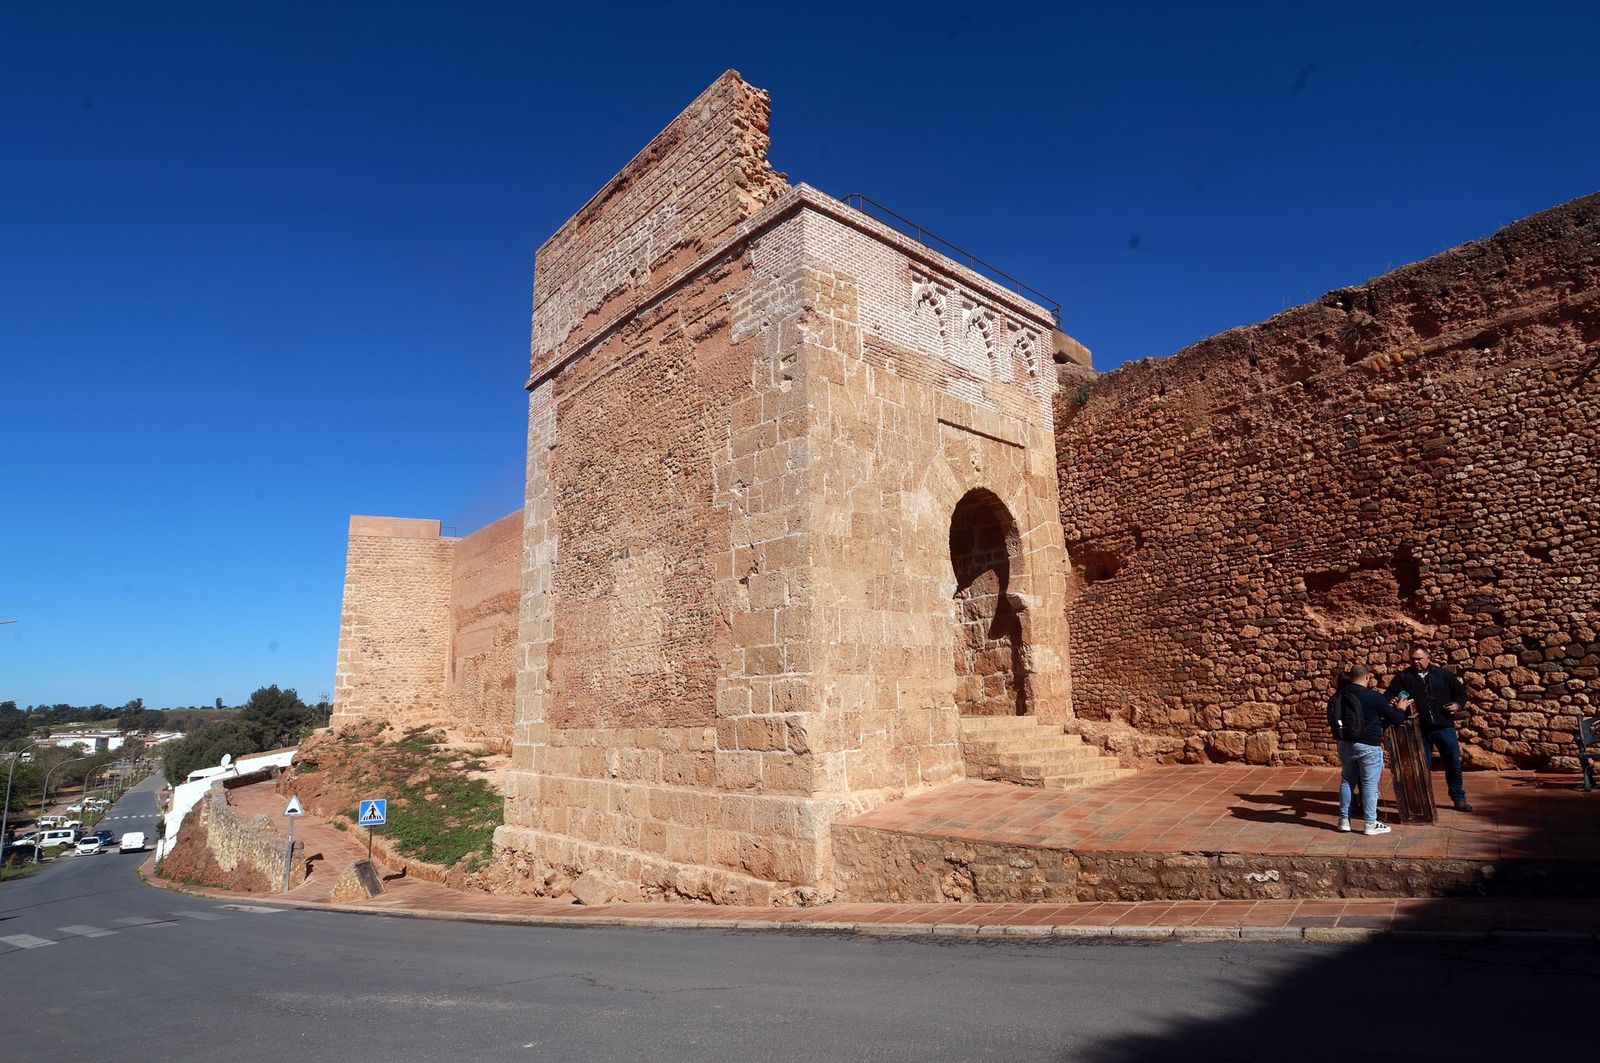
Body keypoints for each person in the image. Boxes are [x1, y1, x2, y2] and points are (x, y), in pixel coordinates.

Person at [1385, 645, 1473, 812]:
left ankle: (1459, 798)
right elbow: (1389, 694)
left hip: (1444, 727)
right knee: (1422, 767)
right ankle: (1425, 801)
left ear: (1428, 658)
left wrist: (1457, 705)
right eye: (1413, 659)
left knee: (1453, 763)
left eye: (1419, 658)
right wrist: (1393, 700)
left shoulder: (1443, 674)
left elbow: (1460, 694)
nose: (1416, 662)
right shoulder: (1403, 677)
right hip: (1419, 730)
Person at [1336, 665, 1411, 835]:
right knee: (1369, 784)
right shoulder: (1373, 697)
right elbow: (1397, 719)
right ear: (1367, 678)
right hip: (1368, 746)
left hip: (1345, 744)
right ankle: (1370, 823)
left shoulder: (1339, 695)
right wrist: (1401, 707)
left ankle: (1343, 821)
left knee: (1347, 781)